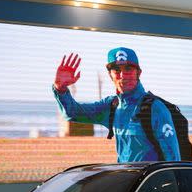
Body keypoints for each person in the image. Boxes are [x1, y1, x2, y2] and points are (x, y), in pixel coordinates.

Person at [52, 47, 180, 162]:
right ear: (110, 75)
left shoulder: (154, 108)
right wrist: (60, 89)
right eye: (117, 70)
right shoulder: (111, 106)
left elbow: (173, 159)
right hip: (127, 184)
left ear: (138, 73)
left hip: (150, 185)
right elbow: (72, 113)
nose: (123, 75)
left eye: (128, 69)